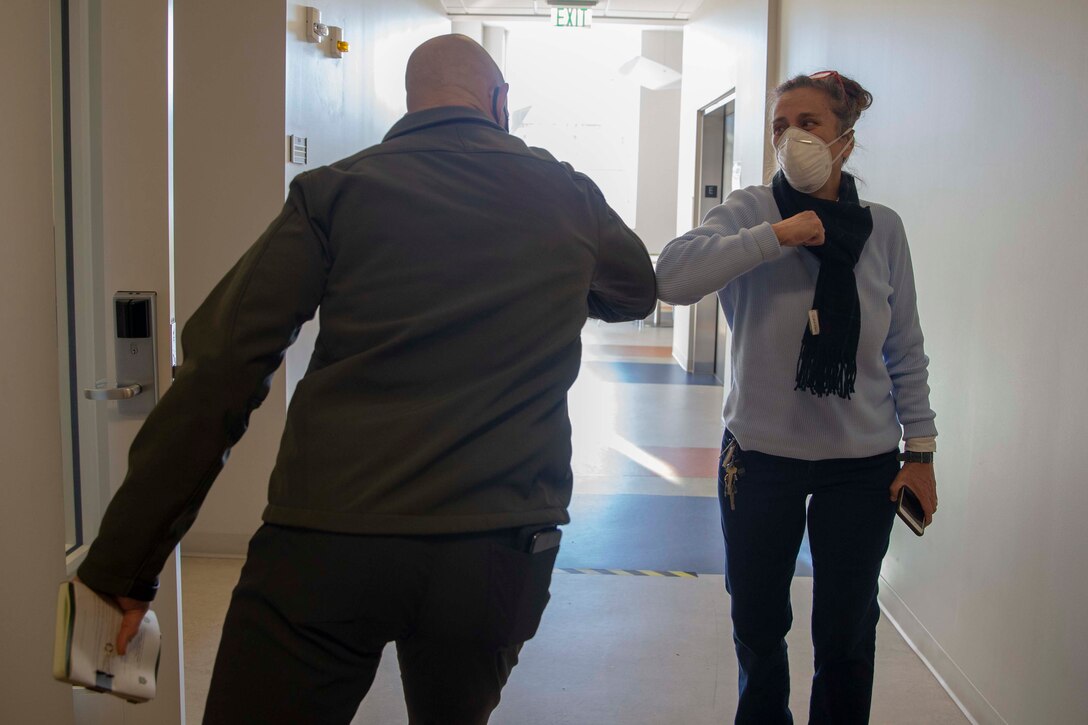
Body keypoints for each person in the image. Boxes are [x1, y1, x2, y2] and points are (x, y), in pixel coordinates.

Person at [75, 34, 656, 724]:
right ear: (500, 103)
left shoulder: (335, 191)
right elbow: (635, 291)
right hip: (497, 551)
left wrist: (123, 566)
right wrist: (549, 279)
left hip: (328, 543)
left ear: (410, 103)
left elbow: (221, 370)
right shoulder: (568, 194)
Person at [654, 70, 938, 724]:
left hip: (861, 462)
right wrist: (774, 237)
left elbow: (904, 347)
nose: (791, 136)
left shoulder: (883, 231)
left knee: (844, 634)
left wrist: (920, 450)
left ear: (844, 140)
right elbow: (670, 277)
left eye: (808, 123)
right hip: (759, 459)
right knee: (757, 624)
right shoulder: (751, 210)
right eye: (780, 125)